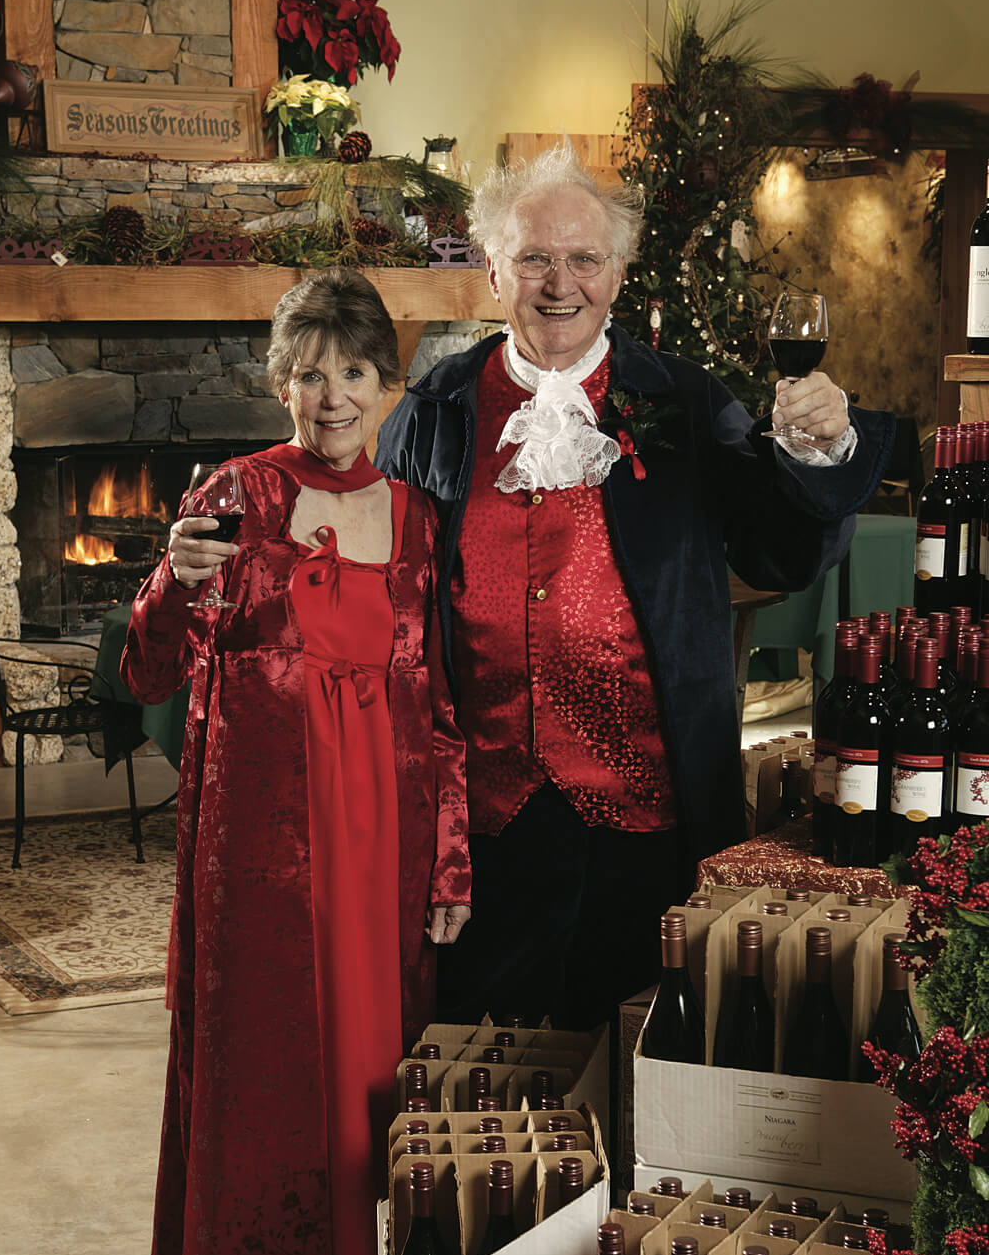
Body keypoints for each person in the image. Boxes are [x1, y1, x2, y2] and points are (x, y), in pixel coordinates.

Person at [376, 142, 893, 1033]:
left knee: (640, 1058)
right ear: (493, 269)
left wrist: (822, 448)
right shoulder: (436, 409)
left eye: (584, 259)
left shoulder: (685, 402)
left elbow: (781, 556)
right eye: (534, 257)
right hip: (482, 822)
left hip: (645, 811)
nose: (559, 281)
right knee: (484, 1061)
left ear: (617, 273)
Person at [123, 269, 471, 1255]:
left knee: (377, 1088)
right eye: (309, 373)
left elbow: (440, 705)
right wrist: (170, 586)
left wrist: (450, 857)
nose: (331, 398)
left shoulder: (419, 517)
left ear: (388, 387)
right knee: (271, 1088)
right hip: (266, 859)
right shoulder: (235, 494)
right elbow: (145, 674)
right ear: (280, 382)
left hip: (388, 847)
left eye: (354, 374)